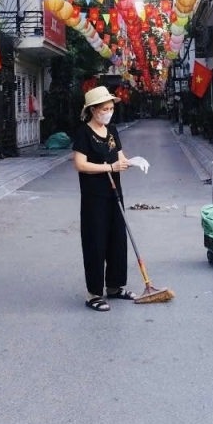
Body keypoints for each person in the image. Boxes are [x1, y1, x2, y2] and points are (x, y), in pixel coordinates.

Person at [72, 86, 138, 312]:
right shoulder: (84, 133)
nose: (109, 112)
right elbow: (80, 165)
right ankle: (94, 294)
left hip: (114, 193)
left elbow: (120, 157)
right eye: (105, 109)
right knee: (95, 242)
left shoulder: (112, 131)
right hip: (94, 196)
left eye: (111, 108)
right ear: (93, 110)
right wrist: (109, 167)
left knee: (117, 239)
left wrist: (133, 162)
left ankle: (115, 286)